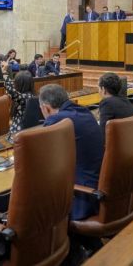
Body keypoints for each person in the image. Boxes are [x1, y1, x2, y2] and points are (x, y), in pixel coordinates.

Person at [39, 84, 104, 221]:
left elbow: (42, 159)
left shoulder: (56, 120)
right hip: (99, 189)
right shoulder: (85, 112)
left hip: (82, 198)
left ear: (46, 108)